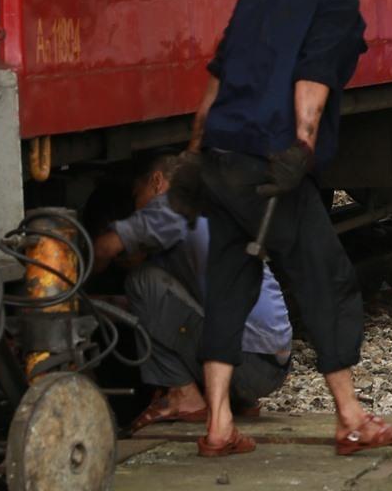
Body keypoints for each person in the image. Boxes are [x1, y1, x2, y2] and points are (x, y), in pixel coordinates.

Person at [186, 0, 392, 459]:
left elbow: (218, 74)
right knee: (325, 279)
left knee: (230, 282)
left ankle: (217, 425)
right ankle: (352, 418)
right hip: (270, 163)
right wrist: (303, 146)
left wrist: (197, 146)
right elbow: (313, 76)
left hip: (221, 156)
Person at [92, 154, 293, 432]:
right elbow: (155, 311)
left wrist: (80, 270)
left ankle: (183, 397)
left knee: (141, 280)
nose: (134, 211)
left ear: (157, 182)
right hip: (268, 361)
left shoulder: (171, 207)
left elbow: (104, 249)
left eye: (136, 196)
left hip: (249, 361)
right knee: (146, 286)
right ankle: (236, 400)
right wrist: (100, 305)